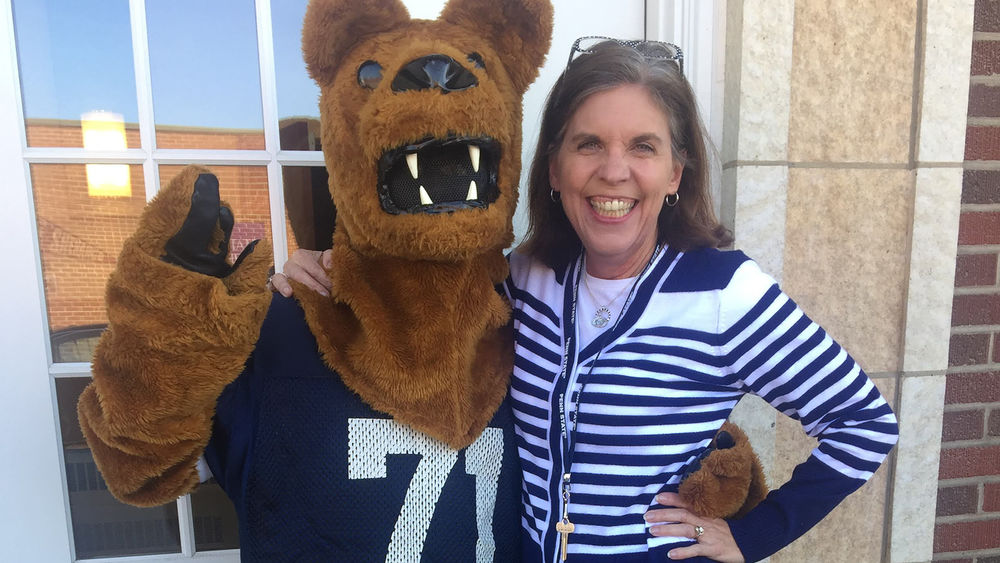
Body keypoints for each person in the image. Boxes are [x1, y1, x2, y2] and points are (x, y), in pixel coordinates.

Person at [275, 37, 899, 563]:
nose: (613, 171)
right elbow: (422, 305)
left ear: (676, 173)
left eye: (643, 147)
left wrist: (751, 536)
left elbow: (865, 425)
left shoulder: (724, 294)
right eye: (589, 144)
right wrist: (331, 272)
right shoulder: (524, 277)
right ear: (554, 167)